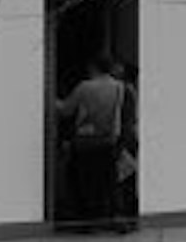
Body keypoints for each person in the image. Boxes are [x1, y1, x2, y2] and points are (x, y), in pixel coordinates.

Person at [55, 52, 132, 231]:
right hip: (109, 142)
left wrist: (52, 100)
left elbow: (66, 110)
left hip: (85, 142)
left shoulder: (84, 87)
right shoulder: (120, 87)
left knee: (82, 181)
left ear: (92, 68)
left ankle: (86, 221)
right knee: (109, 182)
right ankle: (116, 218)